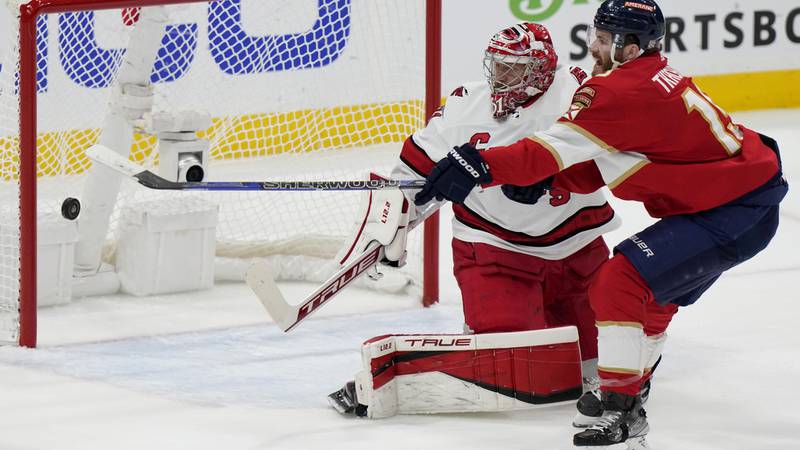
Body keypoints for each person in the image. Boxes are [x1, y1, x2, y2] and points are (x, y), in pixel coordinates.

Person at [413, 0, 788, 447]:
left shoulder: (617, 91)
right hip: (737, 200)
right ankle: (636, 374)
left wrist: (481, 164)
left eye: (605, 40)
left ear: (631, 48)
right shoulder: (646, 77)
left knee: (618, 282)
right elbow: (611, 158)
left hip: (730, 209)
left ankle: (623, 408)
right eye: (596, 33)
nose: (594, 45)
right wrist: (552, 178)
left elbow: (544, 151)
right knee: (654, 292)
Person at [329, 22, 620, 418]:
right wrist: (389, 230)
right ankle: (402, 377)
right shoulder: (467, 105)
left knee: (602, 361)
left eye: (513, 68)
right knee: (517, 368)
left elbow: (616, 155)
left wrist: (548, 171)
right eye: (496, 66)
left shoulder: (578, 91)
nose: (501, 77)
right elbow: (411, 176)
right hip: (495, 249)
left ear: (540, 69)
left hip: (577, 246)